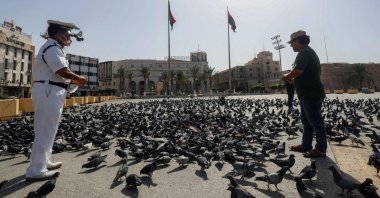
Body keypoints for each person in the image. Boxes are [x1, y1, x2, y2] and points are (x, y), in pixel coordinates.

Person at [26, 20, 86, 181]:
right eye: (66, 35)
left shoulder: (54, 48)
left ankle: (44, 162)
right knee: (45, 130)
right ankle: (36, 170)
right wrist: (78, 79)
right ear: (57, 34)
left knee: (49, 129)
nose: (69, 38)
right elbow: (61, 70)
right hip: (48, 90)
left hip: (52, 90)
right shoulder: (52, 48)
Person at [282, 30, 327, 158]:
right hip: (306, 95)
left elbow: (298, 71)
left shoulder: (304, 52)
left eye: (292, 42)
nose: (291, 45)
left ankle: (320, 149)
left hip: (311, 94)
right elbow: (301, 73)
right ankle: (306, 145)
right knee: (306, 123)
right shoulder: (306, 52)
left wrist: (286, 76)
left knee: (316, 123)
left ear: (299, 40)